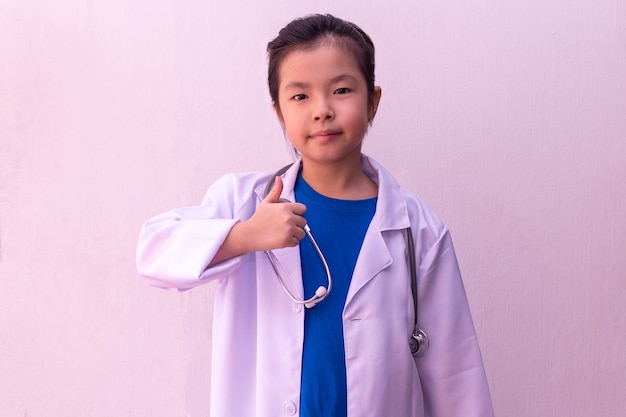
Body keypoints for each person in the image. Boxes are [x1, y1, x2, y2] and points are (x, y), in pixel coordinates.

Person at [136, 13, 494, 417]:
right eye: (300, 96)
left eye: (341, 90)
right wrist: (245, 236)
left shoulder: (419, 230)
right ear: (279, 112)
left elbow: (456, 379)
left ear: (373, 100)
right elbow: (153, 252)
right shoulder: (244, 202)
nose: (322, 110)